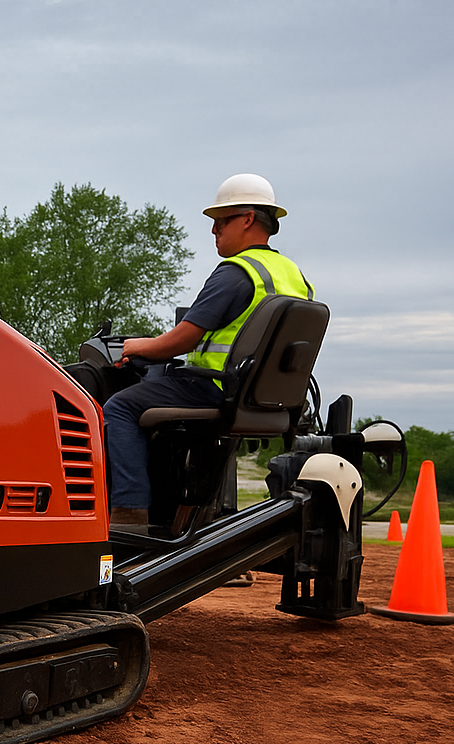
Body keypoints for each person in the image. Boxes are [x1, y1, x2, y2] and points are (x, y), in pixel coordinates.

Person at [103, 173, 312, 528]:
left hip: (214, 389)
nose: (214, 231)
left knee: (119, 407)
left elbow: (183, 340)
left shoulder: (235, 272)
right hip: (264, 399)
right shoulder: (293, 275)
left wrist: (138, 346)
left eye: (221, 222)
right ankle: (195, 515)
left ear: (248, 219)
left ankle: (129, 512)